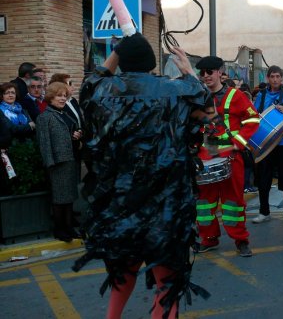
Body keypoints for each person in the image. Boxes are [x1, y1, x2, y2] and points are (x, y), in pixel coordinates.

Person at [72, 33, 213, 319]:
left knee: (122, 274)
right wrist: (187, 68)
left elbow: (94, 80)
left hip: (121, 203)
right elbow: (206, 108)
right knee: (167, 281)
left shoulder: (100, 90)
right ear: (151, 62)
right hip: (166, 203)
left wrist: (118, 51)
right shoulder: (177, 90)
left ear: (122, 60)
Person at [193, 56, 260, 257]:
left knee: (233, 201)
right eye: (202, 72)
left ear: (220, 72)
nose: (205, 76)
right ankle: (209, 239)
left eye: (210, 71)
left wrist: (237, 143)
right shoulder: (197, 97)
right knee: (204, 203)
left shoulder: (235, 95)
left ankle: (241, 240)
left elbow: (253, 119)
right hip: (205, 157)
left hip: (231, 156)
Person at [36, 82, 82, 242]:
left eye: (64, 96)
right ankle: (60, 230)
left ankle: (69, 228)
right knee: (59, 199)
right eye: (59, 96)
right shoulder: (45, 117)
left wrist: (76, 135)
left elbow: (69, 132)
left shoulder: (64, 114)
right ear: (50, 97)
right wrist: (50, 163)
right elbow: (44, 142)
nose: (63, 98)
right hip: (56, 163)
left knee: (69, 197)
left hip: (69, 159)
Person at [252, 65, 283, 223]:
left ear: (282, 78)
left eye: (278, 76)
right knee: (263, 178)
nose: (275, 79)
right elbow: (255, 114)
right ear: (268, 78)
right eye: (272, 77)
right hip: (265, 142)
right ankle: (264, 212)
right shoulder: (262, 94)